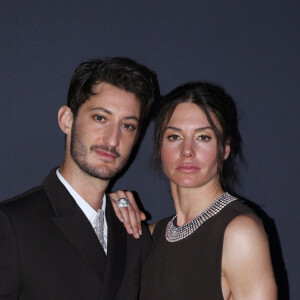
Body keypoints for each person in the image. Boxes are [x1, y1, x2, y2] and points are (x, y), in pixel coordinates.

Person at [0, 57, 155, 300]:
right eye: (100, 118)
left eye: (127, 126)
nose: (113, 140)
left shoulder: (133, 235)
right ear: (67, 120)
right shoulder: (11, 224)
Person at [111, 82, 277, 299]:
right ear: (159, 148)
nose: (187, 151)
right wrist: (105, 213)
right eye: (174, 137)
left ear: (225, 148)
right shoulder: (150, 237)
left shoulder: (240, 233)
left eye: (203, 137)